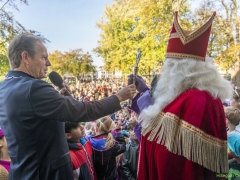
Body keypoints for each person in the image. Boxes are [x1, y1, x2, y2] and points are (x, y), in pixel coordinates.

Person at [0, 33, 136, 180]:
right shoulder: (33, 88)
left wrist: (55, 100)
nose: (49, 63)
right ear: (25, 57)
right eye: (44, 57)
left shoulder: (5, 88)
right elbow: (82, 110)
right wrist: (118, 97)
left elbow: (31, 123)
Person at [130, 11, 232, 180]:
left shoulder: (196, 100)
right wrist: (144, 94)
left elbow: (168, 152)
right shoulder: (196, 95)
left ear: (178, 70)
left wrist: (144, 100)